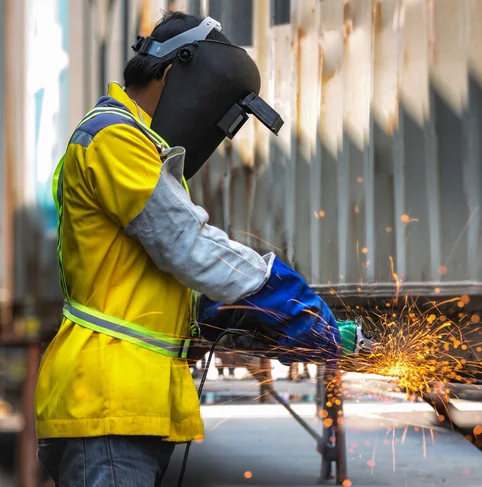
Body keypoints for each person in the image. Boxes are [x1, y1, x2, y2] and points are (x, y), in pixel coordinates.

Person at [34, 11, 341, 486]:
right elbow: (186, 243)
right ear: (175, 73)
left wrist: (216, 311)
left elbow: (136, 275)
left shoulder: (131, 143)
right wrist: (274, 291)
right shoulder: (116, 137)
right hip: (109, 402)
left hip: (124, 408)